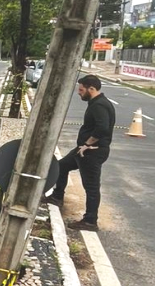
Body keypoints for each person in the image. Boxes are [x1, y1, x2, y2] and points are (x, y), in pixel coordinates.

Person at [44, 74, 115, 231]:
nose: (79, 92)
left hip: (91, 152)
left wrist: (87, 144)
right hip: (84, 150)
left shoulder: (99, 105)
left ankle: (90, 221)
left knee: (91, 187)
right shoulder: (96, 103)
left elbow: (102, 128)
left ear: (92, 89)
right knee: (61, 166)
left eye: (81, 90)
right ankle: (57, 197)